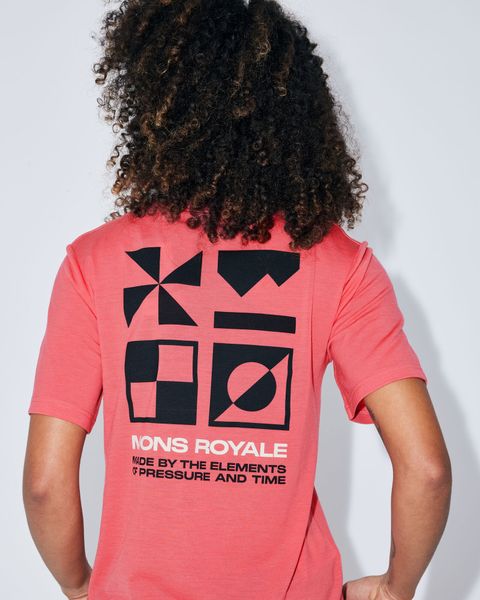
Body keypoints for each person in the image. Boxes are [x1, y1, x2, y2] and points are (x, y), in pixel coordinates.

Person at [22, 1, 452, 599]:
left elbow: (44, 483)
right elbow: (427, 469)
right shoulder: (341, 264)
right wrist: (393, 590)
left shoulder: (94, 262)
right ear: (297, 113)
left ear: (155, 106)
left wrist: (81, 585)